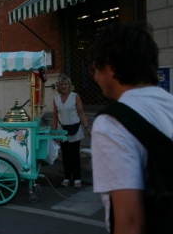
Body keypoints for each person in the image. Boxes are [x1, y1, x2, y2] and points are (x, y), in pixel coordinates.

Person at [88, 21, 173, 234]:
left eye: (95, 69)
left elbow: (130, 221)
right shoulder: (168, 104)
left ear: (110, 67)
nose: (96, 77)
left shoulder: (111, 123)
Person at [52, 75, 91, 188]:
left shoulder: (75, 96)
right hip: (62, 130)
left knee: (75, 155)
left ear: (69, 85)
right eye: (62, 84)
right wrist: (53, 131)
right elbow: (55, 116)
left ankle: (77, 178)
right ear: (59, 86)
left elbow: (81, 113)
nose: (64, 86)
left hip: (75, 129)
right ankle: (67, 177)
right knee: (65, 155)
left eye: (66, 84)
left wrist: (87, 127)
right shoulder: (56, 99)